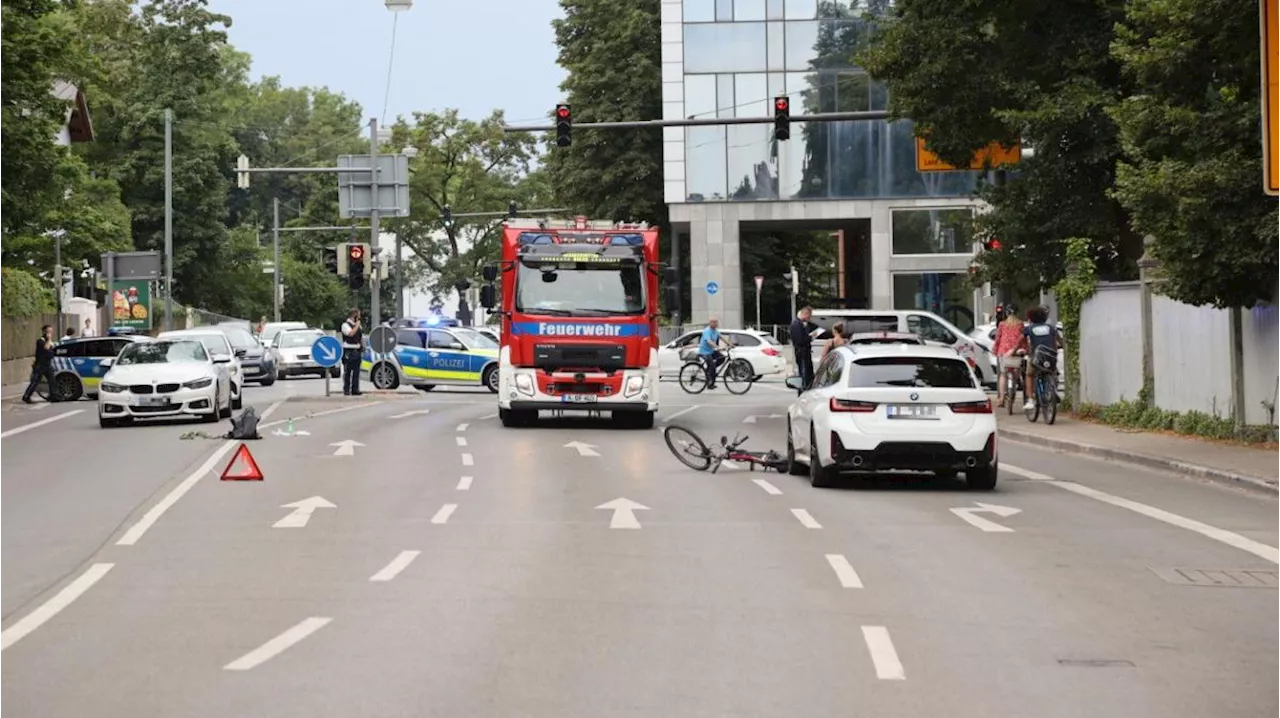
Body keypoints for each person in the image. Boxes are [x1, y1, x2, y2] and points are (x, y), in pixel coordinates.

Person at [1019, 305, 1062, 410]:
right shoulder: (1050, 328)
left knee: (1029, 375)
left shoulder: (1029, 328)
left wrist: (1015, 350)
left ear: (1031, 318)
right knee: (1053, 372)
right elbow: (1058, 340)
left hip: (1036, 357)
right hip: (1050, 356)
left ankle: (1030, 400)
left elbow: (1020, 340)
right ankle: (1052, 391)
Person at [992, 303, 1024, 406]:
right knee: (1015, 373)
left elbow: (998, 339)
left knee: (1003, 374)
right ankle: (1013, 389)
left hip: (1003, 352)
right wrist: (1025, 349)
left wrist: (995, 350)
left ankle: (1001, 398)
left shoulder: (1002, 324)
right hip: (1016, 352)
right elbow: (1022, 339)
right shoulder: (1020, 324)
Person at [21, 325, 57, 404]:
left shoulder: (49, 341)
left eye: (51, 331)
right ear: (44, 332)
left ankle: (53, 395)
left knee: (52, 380)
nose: (51, 333)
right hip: (40, 365)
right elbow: (46, 348)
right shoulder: (40, 341)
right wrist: (49, 340)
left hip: (48, 364)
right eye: (49, 331)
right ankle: (26, 396)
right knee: (35, 381)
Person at [697, 317, 729, 389]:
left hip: (711, 351)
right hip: (704, 352)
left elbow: (722, 337)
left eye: (716, 322)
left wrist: (730, 344)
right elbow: (709, 341)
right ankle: (710, 383)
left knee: (722, 358)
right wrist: (718, 347)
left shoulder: (715, 331)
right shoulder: (707, 331)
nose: (715, 324)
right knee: (713, 367)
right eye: (713, 322)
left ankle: (709, 371)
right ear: (710, 323)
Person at [789, 306, 814, 393]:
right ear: (805, 314)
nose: (809, 318)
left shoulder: (800, 324)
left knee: (807, 374)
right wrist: (810, 337)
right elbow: (800, 340)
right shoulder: (797, 325)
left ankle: (805, 388)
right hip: (802, 353)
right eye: (809, 316)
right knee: (804, 374)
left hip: (804, 353)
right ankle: (803, 390)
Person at [340, 308, 364, 396]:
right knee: (347, 371)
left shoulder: (358, 325)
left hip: (357, 349)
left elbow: (360, 336)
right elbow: (350, 334)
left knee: (356, 371)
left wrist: (362, 345)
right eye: (358, 315)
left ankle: (355, 389)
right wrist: (357, 325)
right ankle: (346, 389)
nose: (359, 317)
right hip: (348, 350)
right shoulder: (345, 325)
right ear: (354, 315)